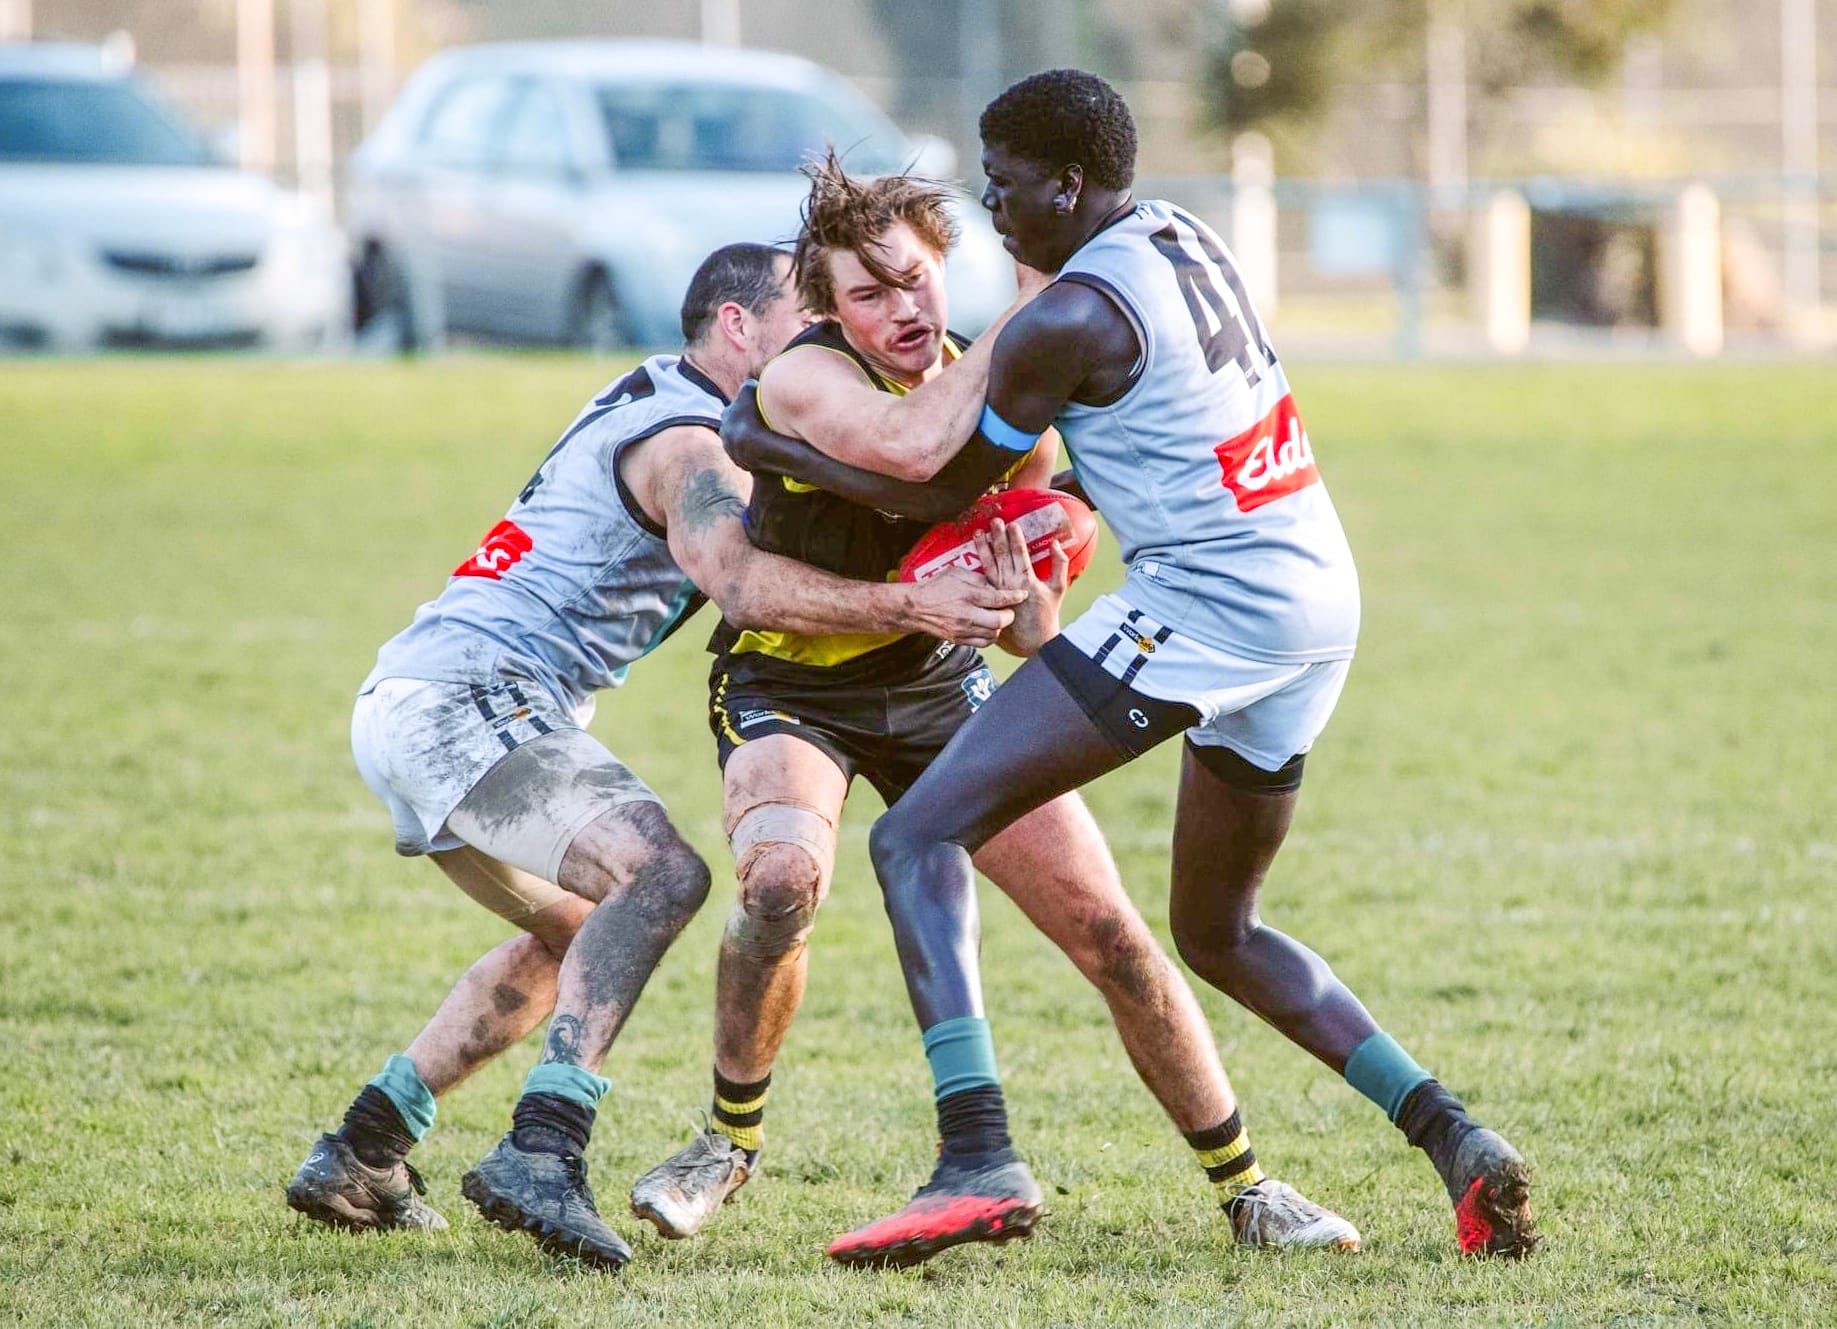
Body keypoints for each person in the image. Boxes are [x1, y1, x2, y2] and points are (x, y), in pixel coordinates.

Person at [720, 73, 1539, 1261]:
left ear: (1067, 181)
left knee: (912, 837)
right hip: (1315, 595)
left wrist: (759, 437)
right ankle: (1456, 1140)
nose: (993, 212)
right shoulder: (1179, 235)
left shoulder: (1065, 321)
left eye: (1003, 189)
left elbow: (943, 485)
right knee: (1217, 930)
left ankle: (975, 1157)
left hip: (1210, 611)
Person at [629, 154, 1359, 1265]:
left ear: (944, 272)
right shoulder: (805, 384)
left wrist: (1027, 584)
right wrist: (920, 573)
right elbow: (909, 449)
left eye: (916, 281)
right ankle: (725, 1142)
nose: (902, 310)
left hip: (937, 690)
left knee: (1110, 933)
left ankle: (1247, 1183)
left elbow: (1028, 636)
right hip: (790, 683)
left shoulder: (1006, 387)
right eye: (867, 294)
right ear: (826, 309)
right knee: (780, 882)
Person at [283, 243, 1026, 1271]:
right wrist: (912, 603)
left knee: (579, 935)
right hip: (467, 701)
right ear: (734, 328)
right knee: (662, 874)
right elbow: (745, 586)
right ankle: (544, 1148)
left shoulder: (681, 404)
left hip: (426, 697)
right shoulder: (691, 444)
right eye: (802, 322)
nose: (824, 347)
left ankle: (364, 1150)